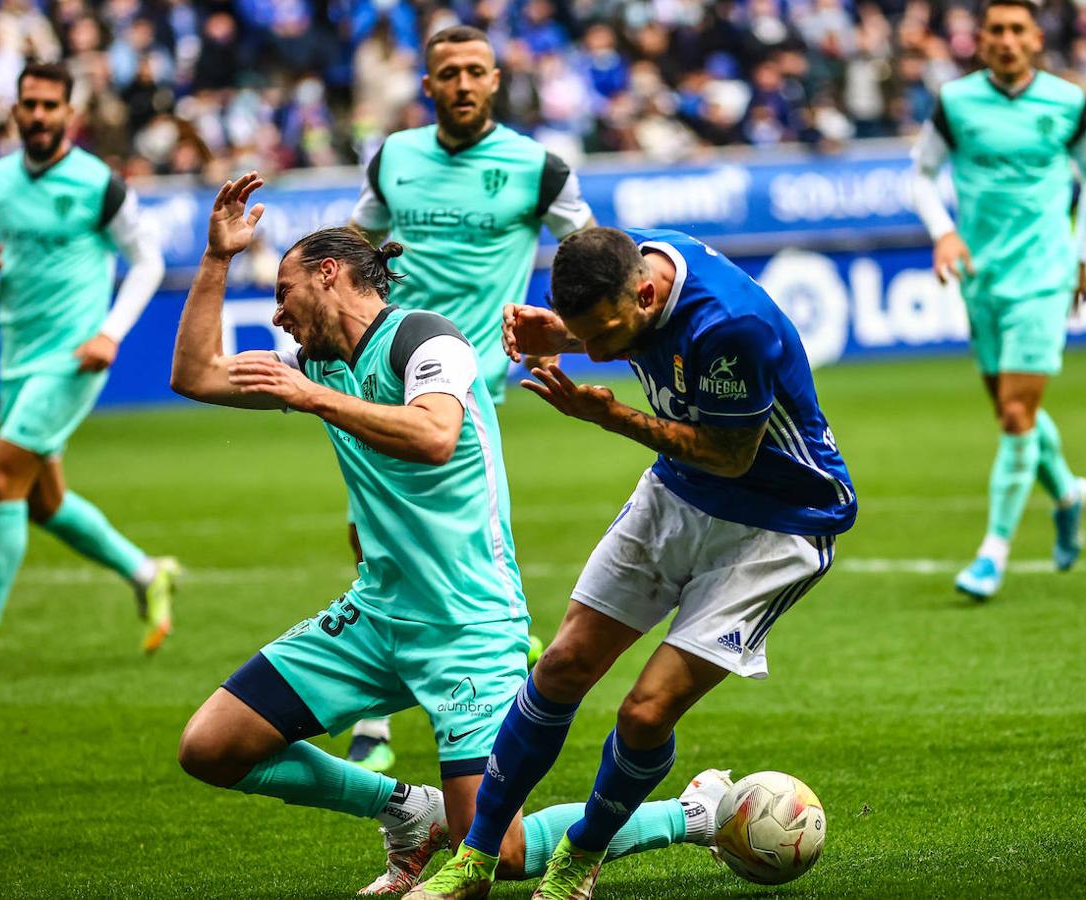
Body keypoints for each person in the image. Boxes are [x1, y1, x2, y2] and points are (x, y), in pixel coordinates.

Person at [170, 176, 726, 896]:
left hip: (467, 621)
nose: (278, 314)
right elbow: (194, 374)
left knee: (507, 853)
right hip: (376, 615)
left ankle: (692, 813)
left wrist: (312, 396)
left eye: (284, 291)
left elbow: (436, 435)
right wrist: (215, 261)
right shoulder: (321, 363)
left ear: (329, 272)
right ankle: (406, 812)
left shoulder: (425, 337)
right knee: (211, 746)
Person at [412, 226, 856, 899]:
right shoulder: (628, 261)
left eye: (601, 335)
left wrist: (611, 416)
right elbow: (617, 335)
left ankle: (579, 856)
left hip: (779, 522)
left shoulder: (731, 328)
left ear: (646, 295)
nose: (591, 352)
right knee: (562, 665)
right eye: (581, 335)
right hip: (678, 491)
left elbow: (730, 455)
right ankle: (473, 859)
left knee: (644, 716)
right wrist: (557, 334)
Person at [344, 23, 595, 773]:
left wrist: (566, 325)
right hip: (388, 373)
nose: (460, 83)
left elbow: (589, 254)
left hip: (473, 385)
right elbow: (357, 247)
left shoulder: (538, 168)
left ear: (495, 80)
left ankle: (401, 709)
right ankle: (503, 651)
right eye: (446, 72)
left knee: (441, 540)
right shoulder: (394, 158)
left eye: (474, 71)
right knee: (376, 537)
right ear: (427, 85)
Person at [0, 62, 175, 674]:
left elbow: (148, 261)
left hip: (73, 356)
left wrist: (110, 332)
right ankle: (146, 571)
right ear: (15, 111)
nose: (37, 116)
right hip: (15, 357)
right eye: (29, 104)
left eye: (50, 106)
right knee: (40, 503)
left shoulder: (98, 183)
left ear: (68, 114)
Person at [910, 0, 1086, 600]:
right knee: (1010, 409)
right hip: (982, 275)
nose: (1005, 39)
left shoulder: (1069, 102)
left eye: (1016, 29)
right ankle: (1069, 494)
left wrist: (1081, 255)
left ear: (1034, 39)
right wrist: (943, 231)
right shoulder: (955, 102)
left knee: (1017, 415)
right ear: (981, 39)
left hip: (1046, 275)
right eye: (995, 29)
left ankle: (992, 553)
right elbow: (921, 173)